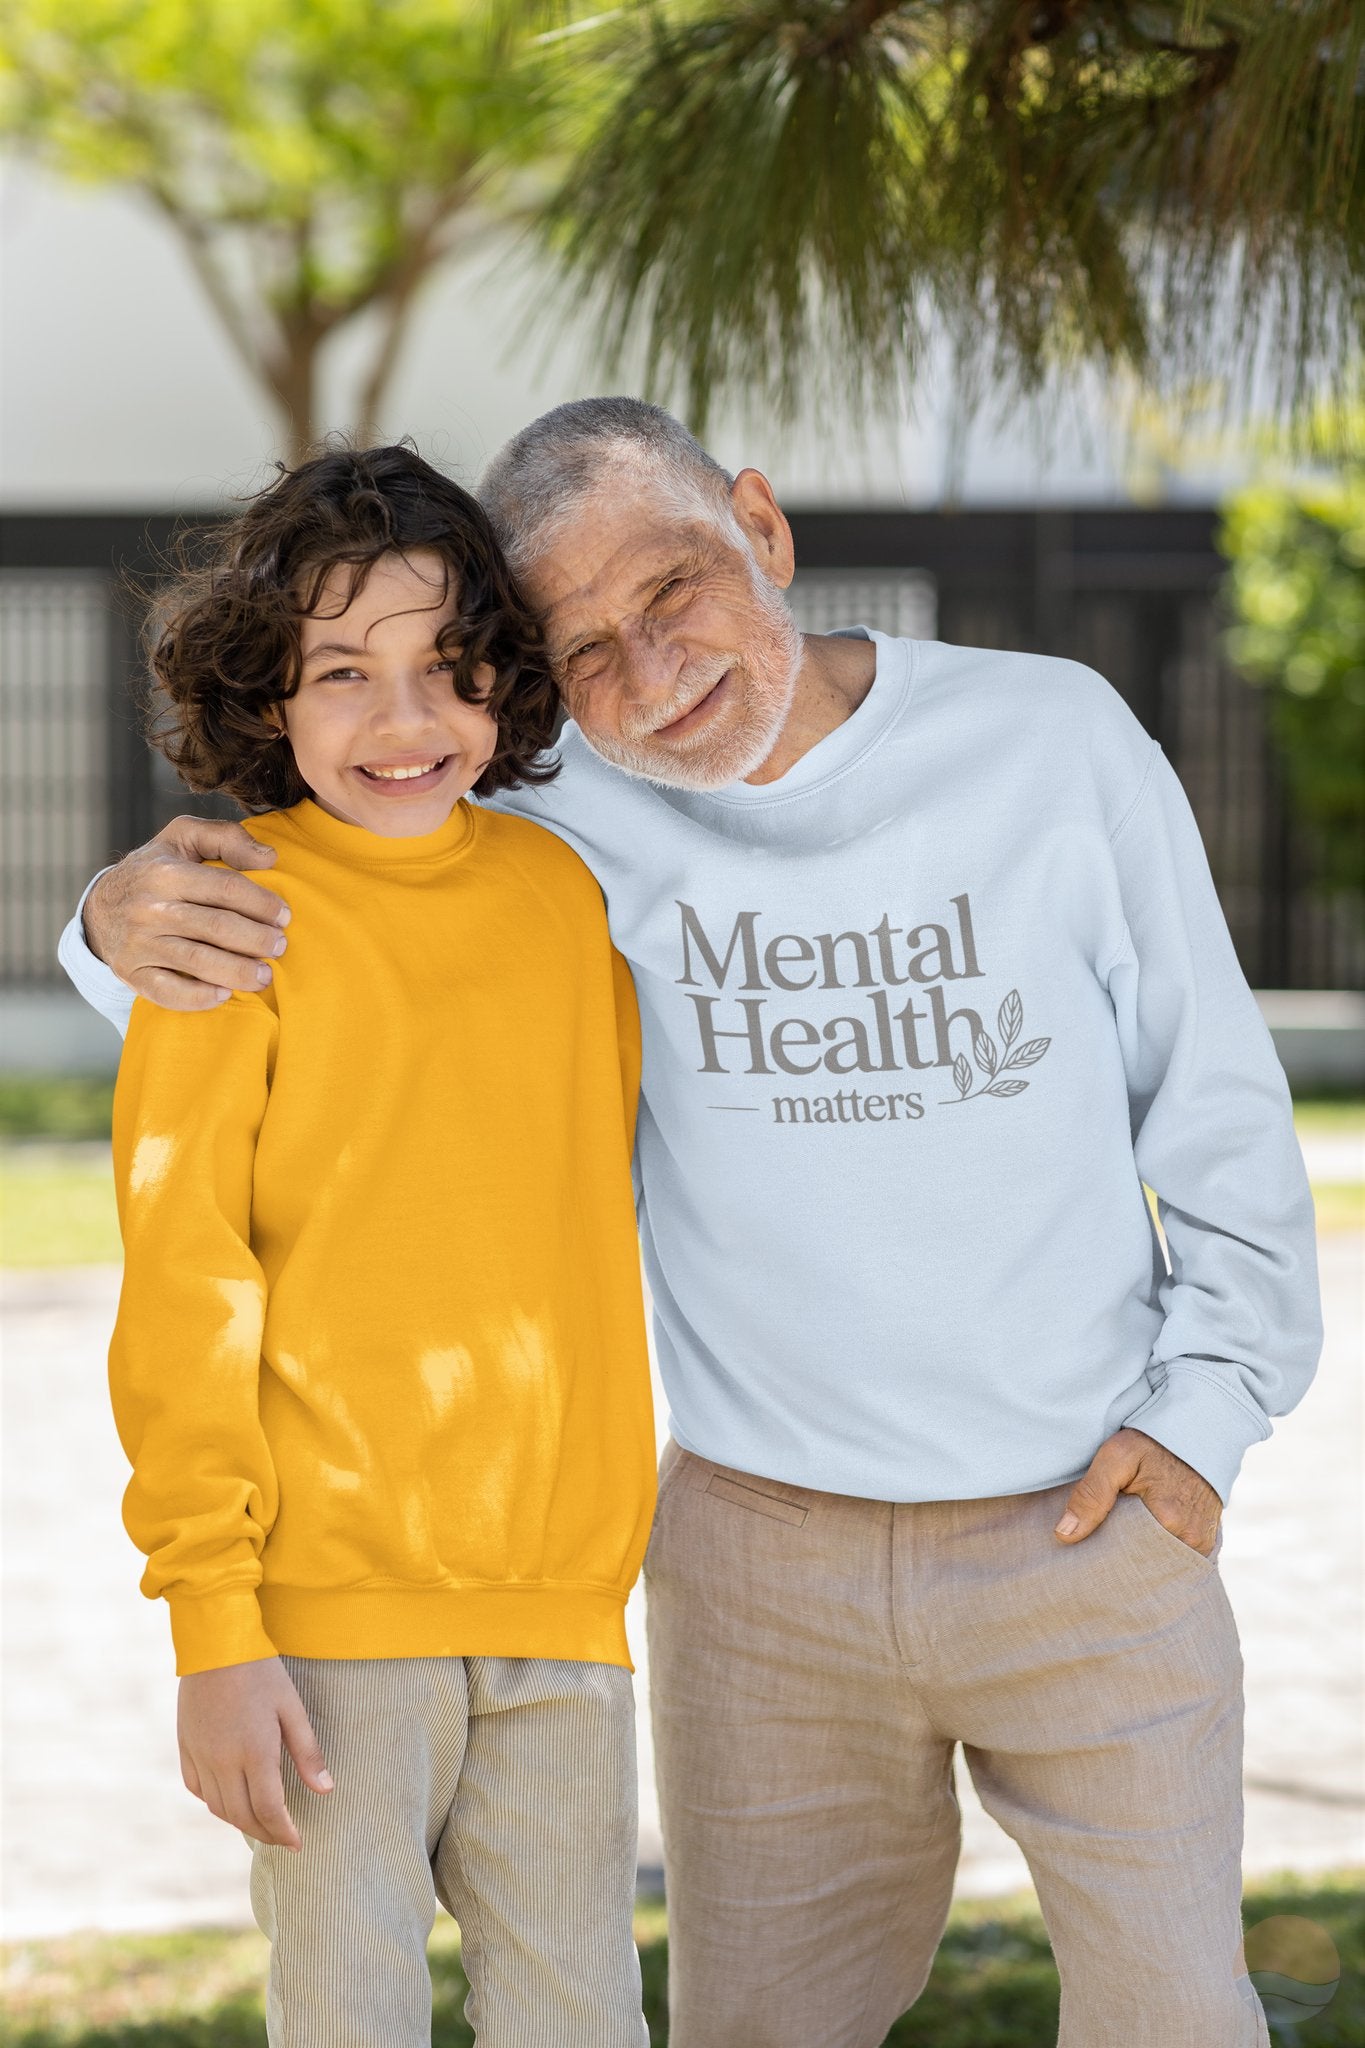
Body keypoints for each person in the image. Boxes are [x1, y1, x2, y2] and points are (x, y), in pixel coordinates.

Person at [64, 401, 1322, 2048]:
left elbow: (1214, 1101)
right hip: (753, 1563)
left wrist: (1205, 1420)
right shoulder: (545, 805)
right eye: (580, 649)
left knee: (1177, 2019)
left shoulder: (1052, 740)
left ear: (761, 529)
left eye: (673, 592)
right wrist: (108, 923)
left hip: (1082, 1523)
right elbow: (331, 905)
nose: (648, 674)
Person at [99, 443, 655, 2048]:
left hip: (560, 1604)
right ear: (268, 695)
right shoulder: (226, 911)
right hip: (326, 1620)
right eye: (344, 674)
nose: (404, 722)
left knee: (583, 2023)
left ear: (505, 681)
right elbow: (185, 1279)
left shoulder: (571, 898)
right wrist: (217, 1629)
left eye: (448, 669)